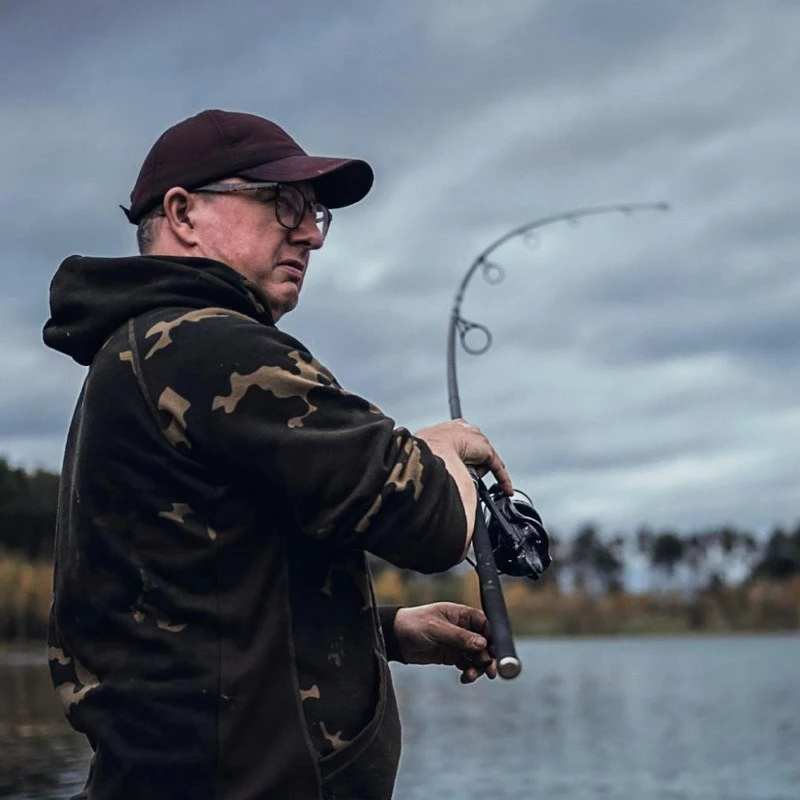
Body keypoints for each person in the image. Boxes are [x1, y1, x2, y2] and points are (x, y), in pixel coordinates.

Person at [43, 109, 512, 800]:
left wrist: (383, 633)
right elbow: (432, 520)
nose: (310, 234)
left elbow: (190, 607)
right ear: (183, 212)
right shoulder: (206, 346)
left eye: (315, 212)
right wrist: (442, 448)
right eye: (282, 203)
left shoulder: (145, 352)